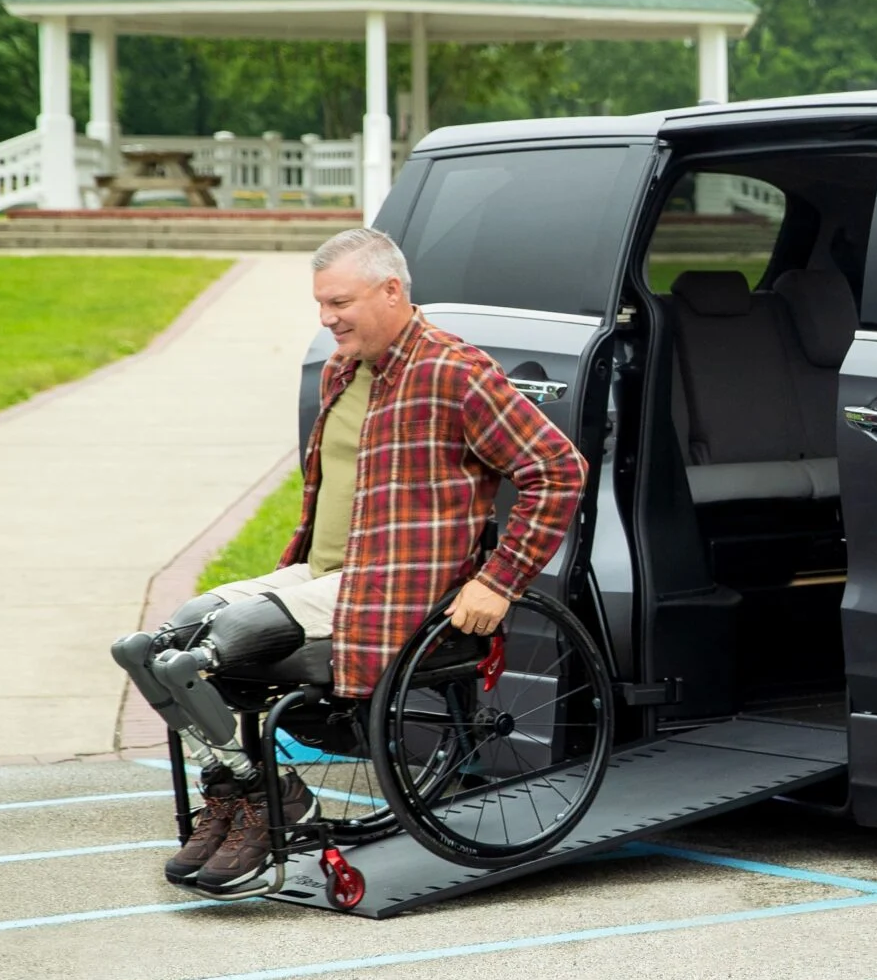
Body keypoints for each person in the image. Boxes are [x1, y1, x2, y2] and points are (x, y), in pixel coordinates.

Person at [112, 227, 586, 893]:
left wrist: (499, 581)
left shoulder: (455, 371)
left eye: (340, 302)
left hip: (394, 588)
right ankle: (247, 794)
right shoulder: (343, 370)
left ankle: (261, 800)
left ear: (391, 291)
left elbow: (558, 468)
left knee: (215, 646)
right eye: (320, 305)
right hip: (322, 575)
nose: (327, 318)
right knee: (151, 644)